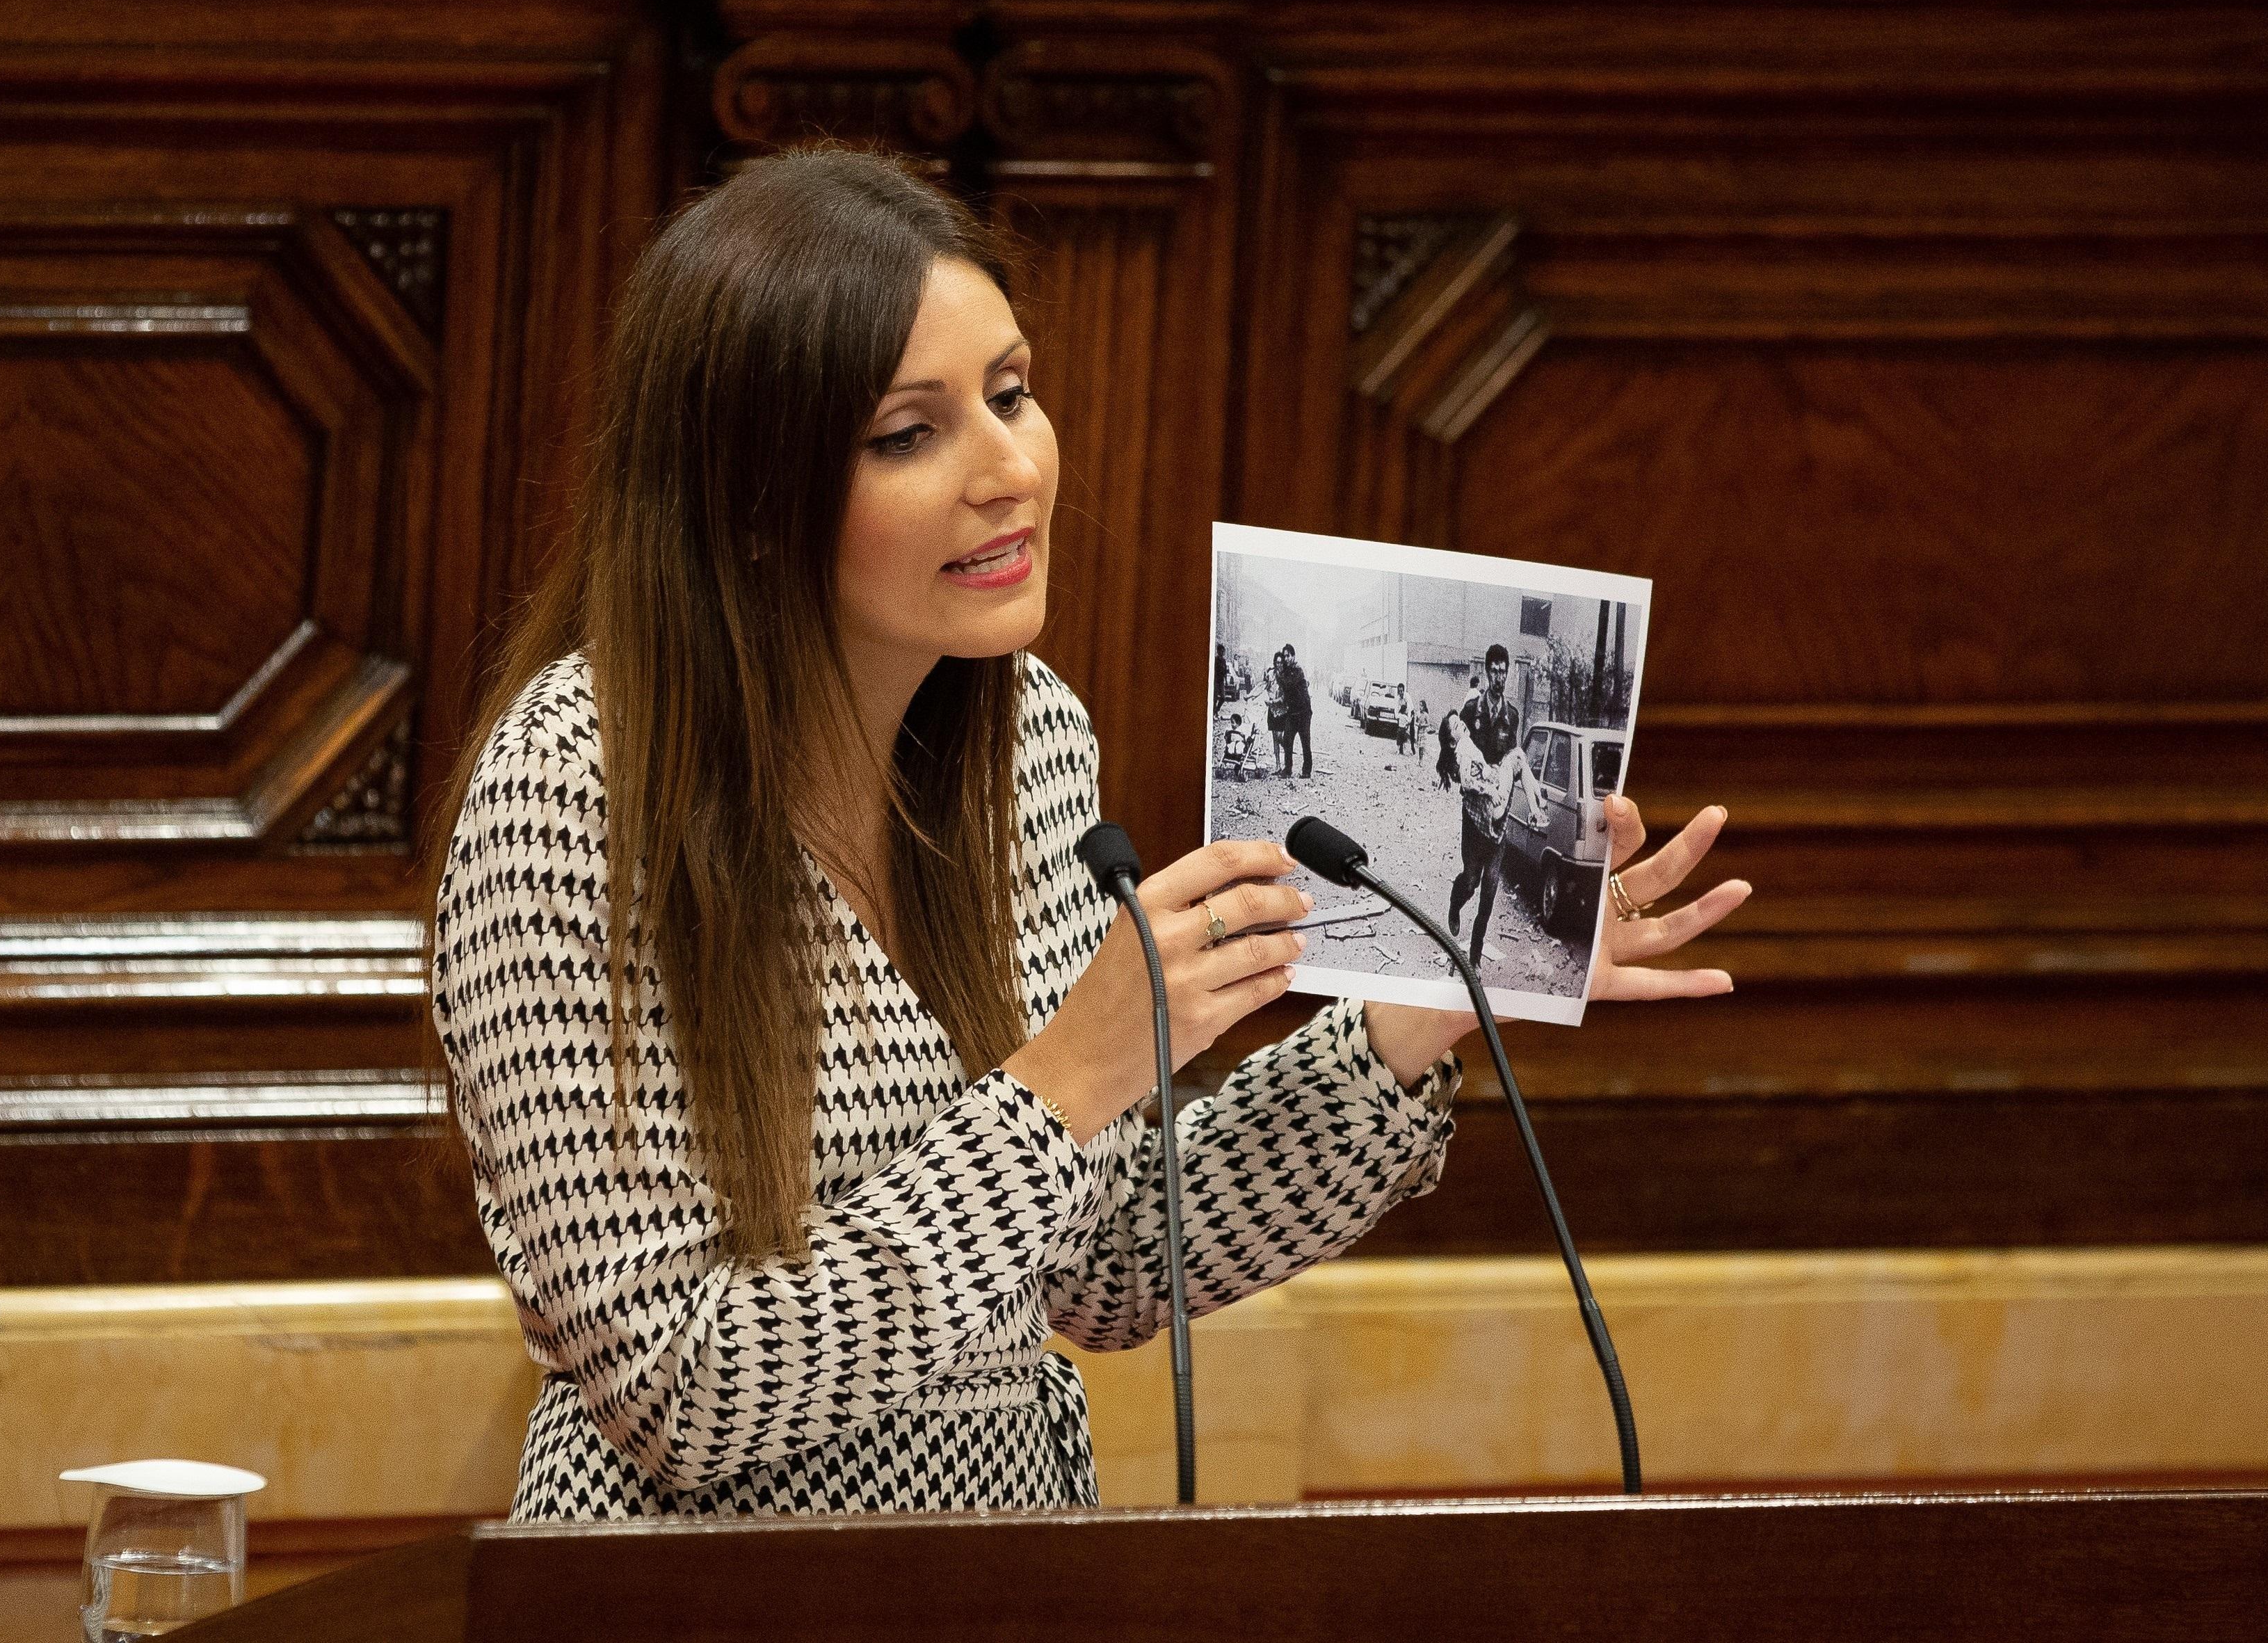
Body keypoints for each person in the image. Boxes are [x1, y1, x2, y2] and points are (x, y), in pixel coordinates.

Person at [430, 147, 1748, 1523]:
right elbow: (678, 1387)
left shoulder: (1031, 744)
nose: (1010, 467)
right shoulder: (573, 792)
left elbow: (1106, 1257)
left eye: (1010, 394)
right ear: (747, 500)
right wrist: (1066, 1076)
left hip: (1007, 1576)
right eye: (908, 431)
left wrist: (1419, 1015)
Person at [1436, 644, 1534, 966]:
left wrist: (1516, 795)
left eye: (1503, 671)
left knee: (1491, 886)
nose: (1498, 677)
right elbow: (1452, 746)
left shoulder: (1513, 716)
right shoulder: (1470, 711)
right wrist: (1449, 770)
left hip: (1499, 812)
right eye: (1494, 670)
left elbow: (1513, 762)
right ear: (1487, 671)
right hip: (1473, 813)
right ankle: (1456, 900)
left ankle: (1475, 955)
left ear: (1508, 673)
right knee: (1472, 879)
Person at [1270, 643, 1314, 778]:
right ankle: (1287, 770)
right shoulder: (1286, 671)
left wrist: (1279, 674)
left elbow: (1289, 684)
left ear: (1294, 656)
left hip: (1304, 712)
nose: (1286, 659)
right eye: (1285, 656)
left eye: (1288, 656)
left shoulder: (1298, 670)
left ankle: (1306, 771)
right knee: (1287, 741)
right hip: (1293, 712)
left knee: (1305, 742)